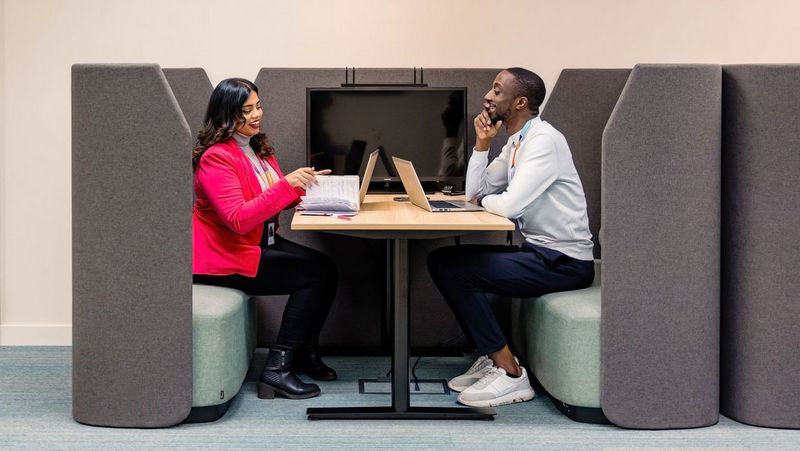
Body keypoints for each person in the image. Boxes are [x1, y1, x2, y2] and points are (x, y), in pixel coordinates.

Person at [427, 68, 595, 408]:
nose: (488, 96)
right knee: (441, 260)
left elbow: (507, 205)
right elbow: (476, 191)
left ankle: (511, 373)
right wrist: (483, 145)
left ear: (520, 102)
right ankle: (490, 357)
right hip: (540, 253)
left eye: (497, 90)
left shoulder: (544, 141)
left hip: (565, 263)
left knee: (455, 271)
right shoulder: (517, 140)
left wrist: (484, 201)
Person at [192, 78, 338, 400]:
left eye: (258, 106)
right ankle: (277, 369)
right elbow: (239, 219)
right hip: (226, 254)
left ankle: (303, 351)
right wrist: (286, 185)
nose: (257, 115)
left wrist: (308, 188)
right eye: (247, 110)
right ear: (227, 115)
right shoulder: (216, 158)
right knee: (313, 275)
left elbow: (269, 199)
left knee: (326, 267)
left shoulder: (256, 148)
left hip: (259, 242)